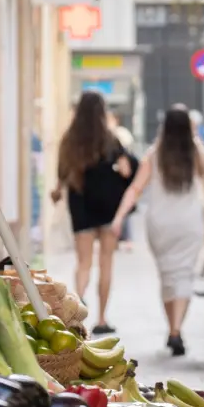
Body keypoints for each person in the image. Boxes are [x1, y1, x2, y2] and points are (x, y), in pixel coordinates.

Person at [109, 105, 204, 356]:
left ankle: (172, 329)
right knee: (183, 274)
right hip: (188, 222)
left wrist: (119, 217)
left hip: (159, 223)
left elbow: (135, 189)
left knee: (167, 275)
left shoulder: (154, 153)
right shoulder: (196, 151)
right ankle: (176, 329)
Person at [51, 90, 136, 335]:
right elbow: (126, 170)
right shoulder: (111, 139)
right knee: (106, 261)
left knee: (84, 262)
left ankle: (76, 312)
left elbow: (61, 174)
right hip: (108, 204)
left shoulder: (69, 140)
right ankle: (101, 318)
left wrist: (57, 191)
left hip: (80, 203)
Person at [106, 109, 137, 251]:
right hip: (114, 181)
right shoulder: (108, 136)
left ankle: (126, 238)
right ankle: (118, 238)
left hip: (119, 181)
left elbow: (126, 160)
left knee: (124, 209)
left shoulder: (120, 135)